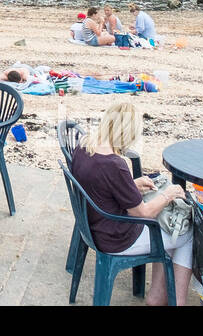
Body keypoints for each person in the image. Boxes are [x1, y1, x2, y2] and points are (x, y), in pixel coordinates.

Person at [71, 99, 192, 306]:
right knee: (185, 232)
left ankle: (157, 294)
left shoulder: (85, 146)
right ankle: (174, 300)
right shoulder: (114, 164)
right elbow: (142, 213)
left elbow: (99, 185)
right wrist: (168, 194)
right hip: (115, 238)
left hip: (93, 226)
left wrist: (132, 185)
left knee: (168, 229)